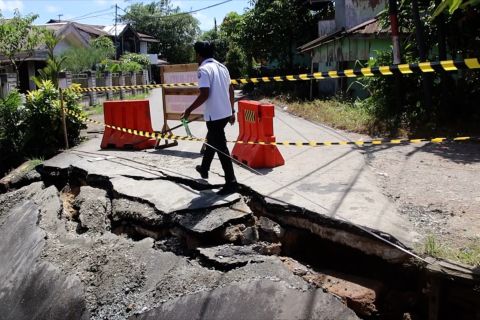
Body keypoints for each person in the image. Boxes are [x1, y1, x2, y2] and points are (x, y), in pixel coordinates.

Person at [181, 41, 238, 195]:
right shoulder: (222, 67)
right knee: (212, 140)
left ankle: (231, 182)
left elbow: (205, 94)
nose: (195, 57)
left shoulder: (203, 69)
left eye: (195, 54)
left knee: (221, 147)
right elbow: (231, 90)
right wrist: (232, 111)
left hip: (214, 116)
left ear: (199, 54)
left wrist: (188, 110)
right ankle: (204, 169)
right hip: (225, 114)